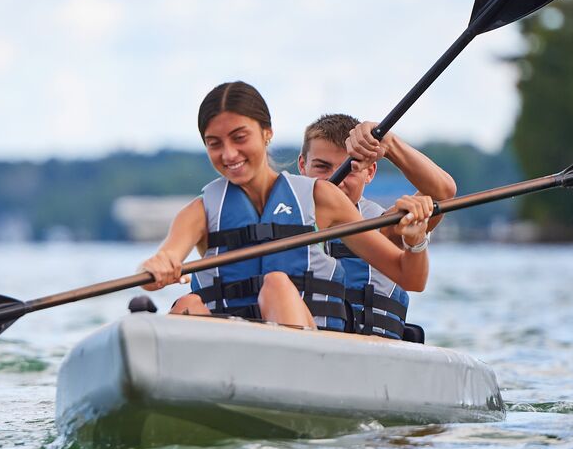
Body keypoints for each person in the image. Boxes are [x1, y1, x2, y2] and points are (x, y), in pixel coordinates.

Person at [137, 82, 434, 329]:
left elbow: (410, 277)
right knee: (188, 304)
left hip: (305, 352)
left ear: (267, 133)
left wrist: (415, 241)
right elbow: (160, 267)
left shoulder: (321, 198)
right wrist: (157, 267)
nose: (229, 154)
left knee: (277, 285)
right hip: (230, 352)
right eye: (214, 143)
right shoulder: (199, 212)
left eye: (240, 138)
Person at [297, 113, 456, 340]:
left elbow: (444, 192)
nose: (337, 181)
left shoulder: (384, 226)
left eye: (349, 169)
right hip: (306, 346)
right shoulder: (284, 216)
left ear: (369, 172)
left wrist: (389, 144)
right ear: (303, 166)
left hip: (374, 354)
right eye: (322, 167)